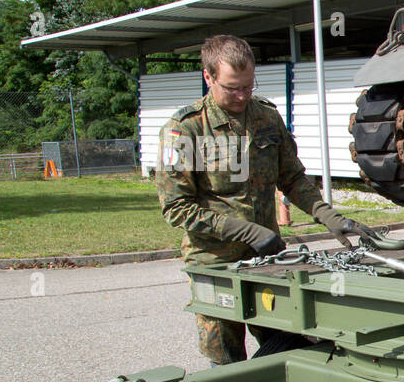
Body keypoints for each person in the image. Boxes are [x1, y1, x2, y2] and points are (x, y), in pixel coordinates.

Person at [156, 34, 373, 365]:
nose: (242, 95)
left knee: (287, 341)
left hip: (267, 260)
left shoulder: (267, 119)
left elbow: (292, 178)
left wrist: (326, 215)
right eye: (232, 87)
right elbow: (176, 207)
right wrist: (244, 231)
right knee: (226, 362)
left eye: (248, 85)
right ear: (208, 77)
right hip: (215, 263)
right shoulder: (187, 130)